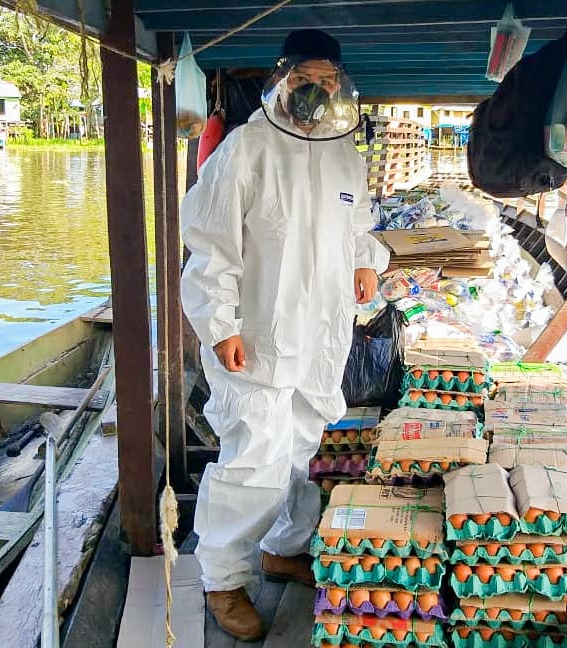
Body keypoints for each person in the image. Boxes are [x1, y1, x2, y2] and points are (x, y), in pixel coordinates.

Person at [180, 29, 390, 641]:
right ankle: (222, 578)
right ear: (282, 80)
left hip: (318, 336)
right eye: (306, 81)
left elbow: (359, 228)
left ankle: (281, 550)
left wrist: (365, 260)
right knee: (253, 463)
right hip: (254, 339)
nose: (317, 94)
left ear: (341, 88)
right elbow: (210, 248)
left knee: (301, 453)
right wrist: (219, 328)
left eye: (328, 83)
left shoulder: (346, 155)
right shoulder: (245, 149)